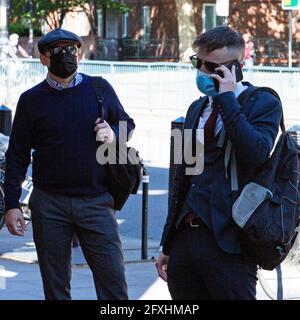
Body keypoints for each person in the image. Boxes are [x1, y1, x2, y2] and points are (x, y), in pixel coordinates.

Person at [4, 28, 135, 300]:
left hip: (97, 202)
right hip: (49, 204)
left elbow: (127, 123)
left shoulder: (99, 88)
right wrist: (12, 205)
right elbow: (18, 154)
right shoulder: (31, 100)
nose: (67, 56)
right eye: (58, 51)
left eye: (72, 50)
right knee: (56, 286)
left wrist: (114, 133)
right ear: (43, 59)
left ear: (80, 53)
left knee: (113, 284)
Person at [156, 26, 282, 300]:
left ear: (234, 69)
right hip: (185, 241)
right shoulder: (196, 109)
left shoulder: (262, 101)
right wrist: (168, 244)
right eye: (197, 62)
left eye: (210, 66)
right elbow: (182, 177)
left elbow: (257, 152)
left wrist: (227, 98)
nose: (202, 71)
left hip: (230, 243)